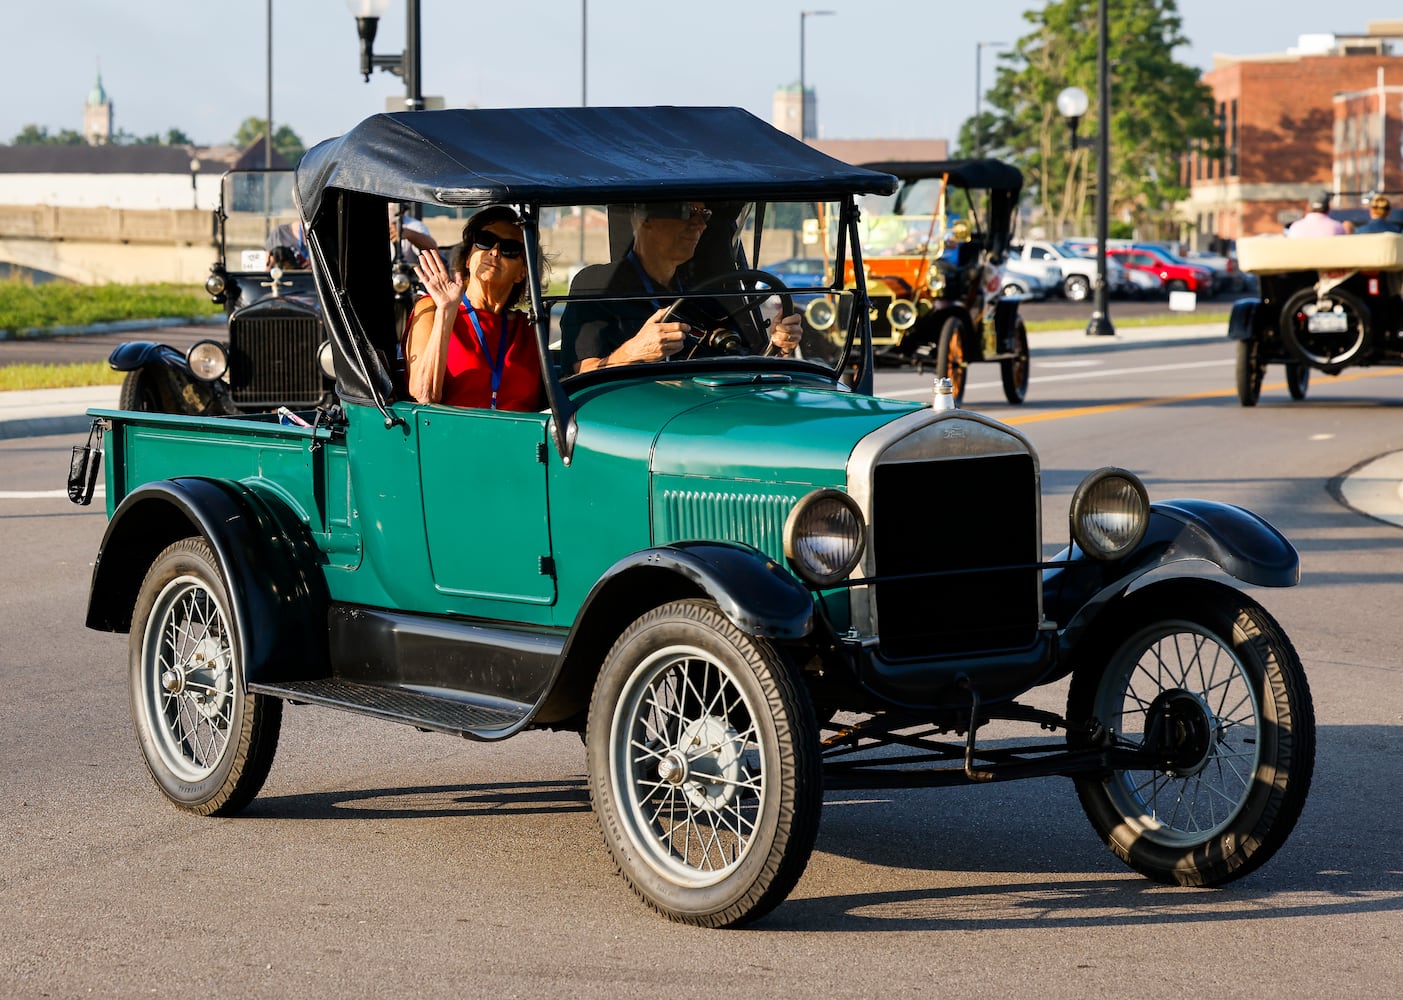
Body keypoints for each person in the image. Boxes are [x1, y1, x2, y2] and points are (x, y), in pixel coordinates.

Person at [561, 200, 802, 373]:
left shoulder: (704, 296)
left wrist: (778, 345)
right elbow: (582, 373)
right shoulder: (598, 285)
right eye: (687, 212)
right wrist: (634, 352)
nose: (700, 225)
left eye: (704, 214)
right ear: (644, 218)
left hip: (701, 419)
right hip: (631, 425)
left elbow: (738, 363)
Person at [403, 206, 544, 411]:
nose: (494, 252)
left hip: (521, 438)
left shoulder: (529, 327)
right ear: (469, 258)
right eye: (485, 241)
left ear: (523, 272)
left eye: (510, 248)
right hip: (453, 436)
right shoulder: (432, 309)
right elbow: (424, 394)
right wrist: (446, 311)